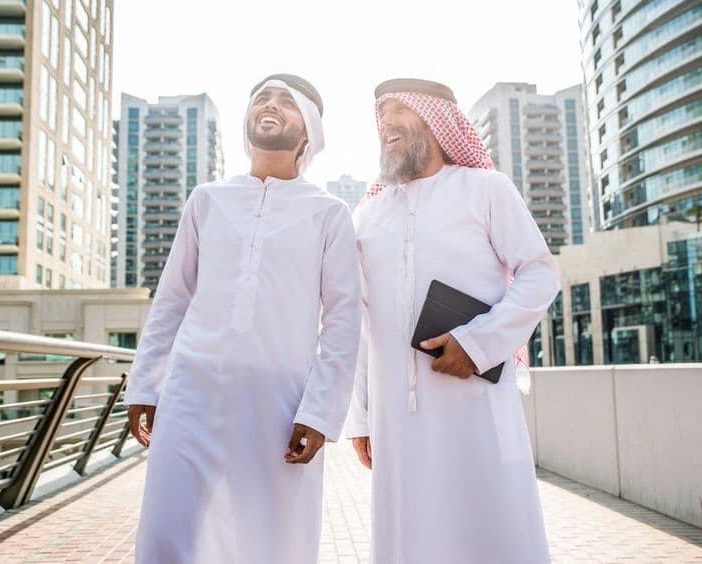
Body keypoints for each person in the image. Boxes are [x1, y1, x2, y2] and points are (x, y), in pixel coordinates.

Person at [125, 73, 361, 563]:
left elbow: (341, 322)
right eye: (262, 98)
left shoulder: (329, 213)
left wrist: (320, 412)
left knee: (272, 541)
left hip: (278, 401)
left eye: (286, 102)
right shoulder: (207, 200)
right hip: (191, 392)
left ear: (309, 133)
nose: (270, 106)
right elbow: (172, 300)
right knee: (167, 532)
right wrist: (146, 386)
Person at [345, 78, 559, 563]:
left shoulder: (485, 189)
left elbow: (539, 274)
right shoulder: (367, 217)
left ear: (438, 121)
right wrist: (361, 417)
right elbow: (359, 324)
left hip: (476, 407)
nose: (387, 122)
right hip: (395, 419)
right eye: (382, 113)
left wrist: (478, 343)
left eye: (401, 109)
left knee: (490, 534)